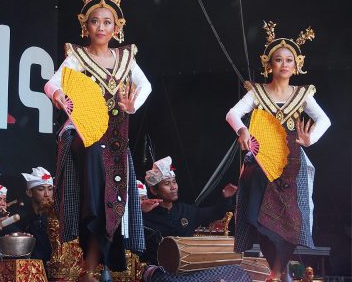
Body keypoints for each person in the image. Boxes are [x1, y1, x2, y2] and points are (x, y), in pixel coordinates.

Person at [44, 0, 152, 281]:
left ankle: (92, 269)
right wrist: (62, 96)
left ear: (116, 27)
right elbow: (52, 84)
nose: (101, 27)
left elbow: (145, 87)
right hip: (84, 134)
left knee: (111, 199)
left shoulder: (125, 58)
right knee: (96, 195)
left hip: (117, 135)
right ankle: (90, 265)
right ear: (85, 26)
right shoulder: (77, 57)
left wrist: (133, 105)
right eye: (95, 21)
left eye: (107, 22)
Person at [226, 21, 331, 282]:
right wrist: (243, 131)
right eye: (278, 60)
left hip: (290, 167)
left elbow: (324, 120)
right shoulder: (258, 93)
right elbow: (233, 113)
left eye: (289, 60)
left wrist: (309, 140)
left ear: (296, 65)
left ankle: (279, 272)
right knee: (260, 221)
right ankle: (277, 272)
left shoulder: (302, 95)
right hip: (260, 165)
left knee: (289, 224)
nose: (284, 64)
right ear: (269, 65)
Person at [139, 156, 250, 282]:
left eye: (174, 182)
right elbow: (127, 237)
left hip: (188, 269)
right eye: (166, 183)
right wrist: (140, 213)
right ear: (154, 190)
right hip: (160, 269)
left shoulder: (187, 211)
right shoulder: (146, 215)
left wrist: (225, 198)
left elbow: (214, 212)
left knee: (237, 271)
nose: (173, 187)